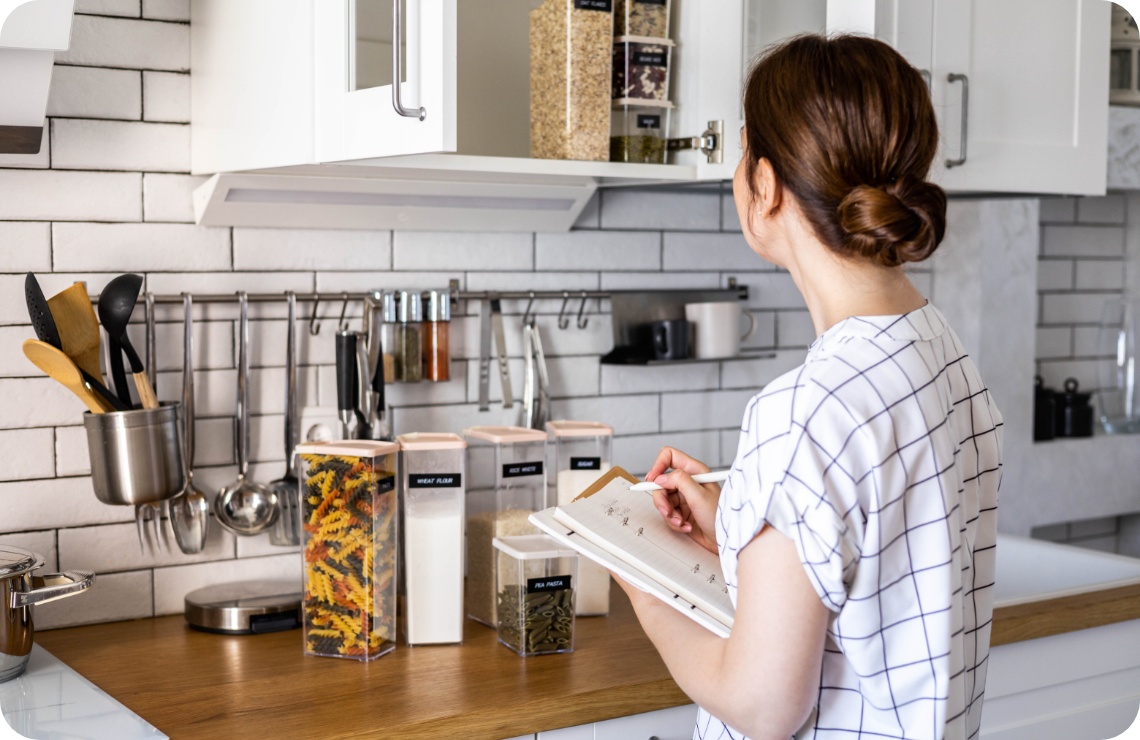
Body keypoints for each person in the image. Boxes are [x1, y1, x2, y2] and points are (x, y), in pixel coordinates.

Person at [617, 34, 1004, 740]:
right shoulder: (942, 354)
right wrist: (739, 529)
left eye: (742, 155)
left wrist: (646, 586)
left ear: (765, 185)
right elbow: (868, 570)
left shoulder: (803, 411)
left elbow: (762, 706)